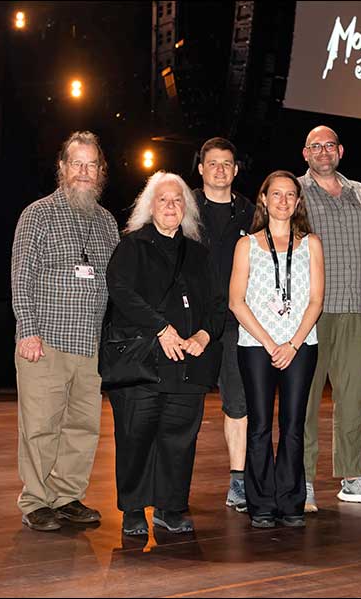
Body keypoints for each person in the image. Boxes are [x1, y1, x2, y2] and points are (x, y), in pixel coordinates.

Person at [11, 131, 120, 532]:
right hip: (46, 342)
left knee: (83, 427)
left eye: (92, 165)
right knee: (40, 425)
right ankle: (37, 500)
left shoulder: (107, 222)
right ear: (62, 169)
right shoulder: (37, 214)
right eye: (77, 164)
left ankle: (67, 495)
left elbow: (117, 283)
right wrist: (28, 330)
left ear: (101, 172)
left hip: (91, 345)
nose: (85, 172)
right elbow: (21, 276)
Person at [106, 171, 225, 536]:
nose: (171, 206)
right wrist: (161, 328)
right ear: (149, 206)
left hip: (188, 362)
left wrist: (205, 335)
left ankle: (171, 507)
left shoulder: (200, 254)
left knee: (179, 438)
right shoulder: (131, 246)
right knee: (135, 436)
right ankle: (132, 509)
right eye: (163, 199)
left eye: (177, 200)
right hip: (143, 361)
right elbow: (121, 291)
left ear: (186, 208)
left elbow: (218, 303)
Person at [299, 125, 361, 511]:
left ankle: (352, 478)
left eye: (329, 145)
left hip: (356, 311)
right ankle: (301, 480)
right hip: (311, 313)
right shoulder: (295, 192)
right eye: (315, 146)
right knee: (303, 399)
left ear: (341, 151)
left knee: (354, 397)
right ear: (305, 154)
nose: (323, 151)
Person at [229, 171, 324, 528]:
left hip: (300, 345)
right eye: (276, 194)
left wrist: (293, 343)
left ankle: (291, 501)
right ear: (264, 199)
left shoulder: (311, 244)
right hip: (256, 346)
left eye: (290, 195)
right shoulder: (246, 245)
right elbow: (236, 302)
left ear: (298, 202)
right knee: (259, 426)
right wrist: (271, 344)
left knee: (294, 425)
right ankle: (261, 503)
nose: (283, 201)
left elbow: (316, 300)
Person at [193, 137, 255, 512]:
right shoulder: (181, 207)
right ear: (200, 168)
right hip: (191, 324)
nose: (219, 170)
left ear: (235, 170)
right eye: (212, 163)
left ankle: (238, 482)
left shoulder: (250, 212)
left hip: (236, 322)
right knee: (183, 405)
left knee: (238, 403)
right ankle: (172, 481)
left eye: (226, 163)